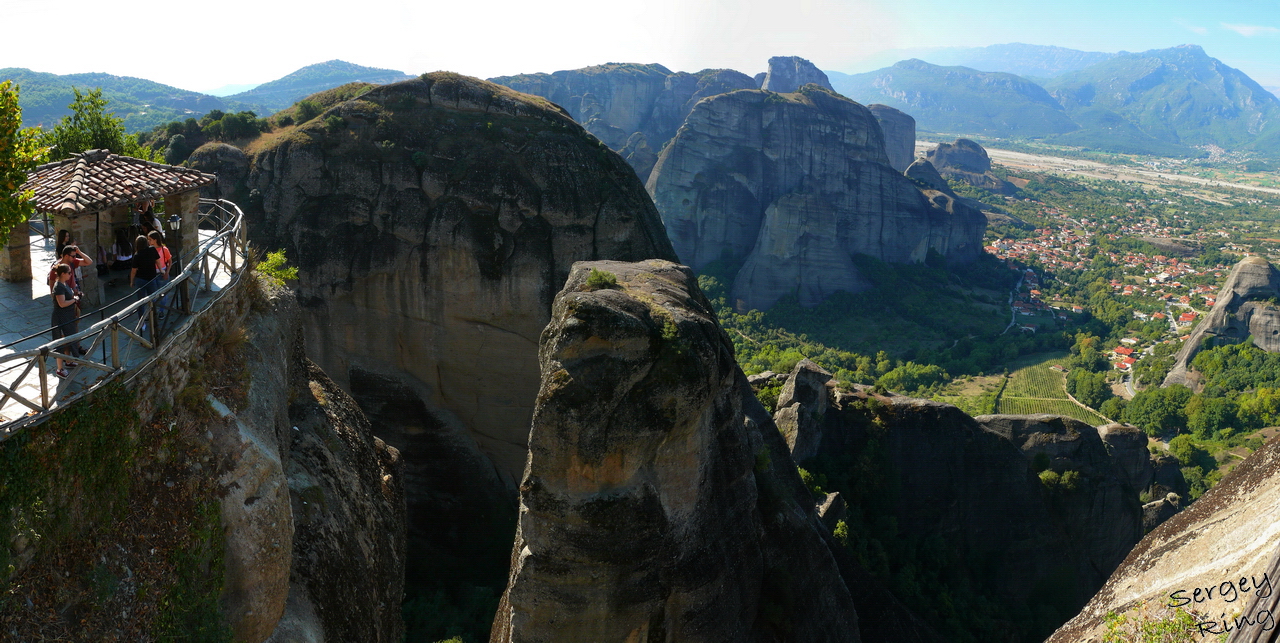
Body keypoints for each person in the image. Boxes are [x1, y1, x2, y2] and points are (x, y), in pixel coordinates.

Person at [50, 264, 81, 379]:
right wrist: (74, 299)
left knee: (68, 339)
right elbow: (62, 304)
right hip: (60, 317)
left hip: (68, 316)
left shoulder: (64, 283)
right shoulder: (58, 286)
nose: (70, 274)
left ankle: (68, 361)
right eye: (69, 273)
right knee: (60, 342)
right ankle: (59, 369)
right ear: (63, 274)